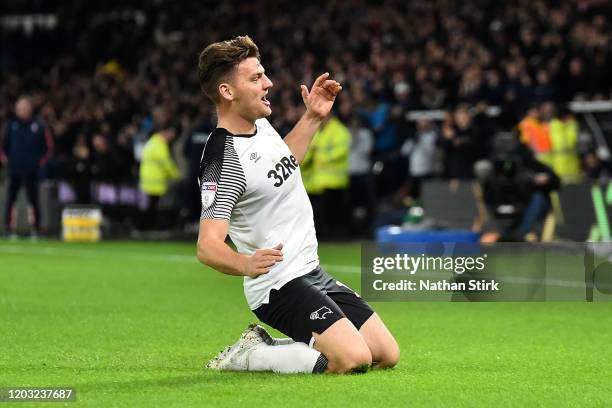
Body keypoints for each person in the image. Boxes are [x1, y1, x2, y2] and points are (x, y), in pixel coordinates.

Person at [196, 36, 399, 374]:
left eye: (264, 74)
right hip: (277, 286)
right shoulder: (223, 158)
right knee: (353, 359)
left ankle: (266, 345)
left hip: (310, 270)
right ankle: (251, 356)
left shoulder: (260, 124)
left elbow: (283, 163)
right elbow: (207, 246)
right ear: (227, 92)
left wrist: (313, 117)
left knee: (385, 353)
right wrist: (245, 263)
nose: (268, 83)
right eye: (255, 78)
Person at [0, 96, 53, 238]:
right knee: (11, 199)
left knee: (33, 200)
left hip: (32, 170)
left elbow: (48, 148)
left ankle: (36, 229)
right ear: (16, 110)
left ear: (30, 108)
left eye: (25, 107)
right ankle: (8, 229)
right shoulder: (10, 125)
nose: (22, 110)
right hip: (14, 169)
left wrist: (39, 163)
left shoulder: (39, 126)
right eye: (20, 108)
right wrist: (4, 159)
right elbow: (2, 146)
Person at [138, 113, 180, 230]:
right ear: (167, 132)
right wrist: (177, 175)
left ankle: (145, 228)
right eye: (172, 134)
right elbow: (166, 163)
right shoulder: (160, 144)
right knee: (154, 208)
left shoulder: (152, 141)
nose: (172, 136)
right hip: (155, 183)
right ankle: (151, 228)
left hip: (147, 181)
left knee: (149, 207)